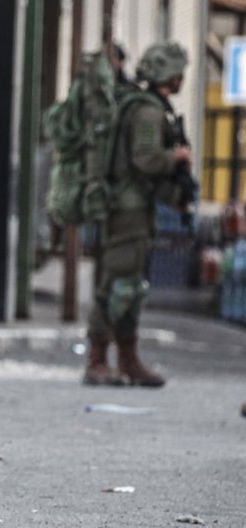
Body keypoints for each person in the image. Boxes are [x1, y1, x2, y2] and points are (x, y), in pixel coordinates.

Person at [84, 42, 192, 387]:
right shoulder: (147, 111)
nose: (181, 79)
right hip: (126, 211)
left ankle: (128, 359)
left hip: (135, 209)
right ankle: (97, 360)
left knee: (130, 286)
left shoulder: (149, 106)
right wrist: (176, 157)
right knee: (115, 284)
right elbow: (146, 159)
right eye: (178, 72)